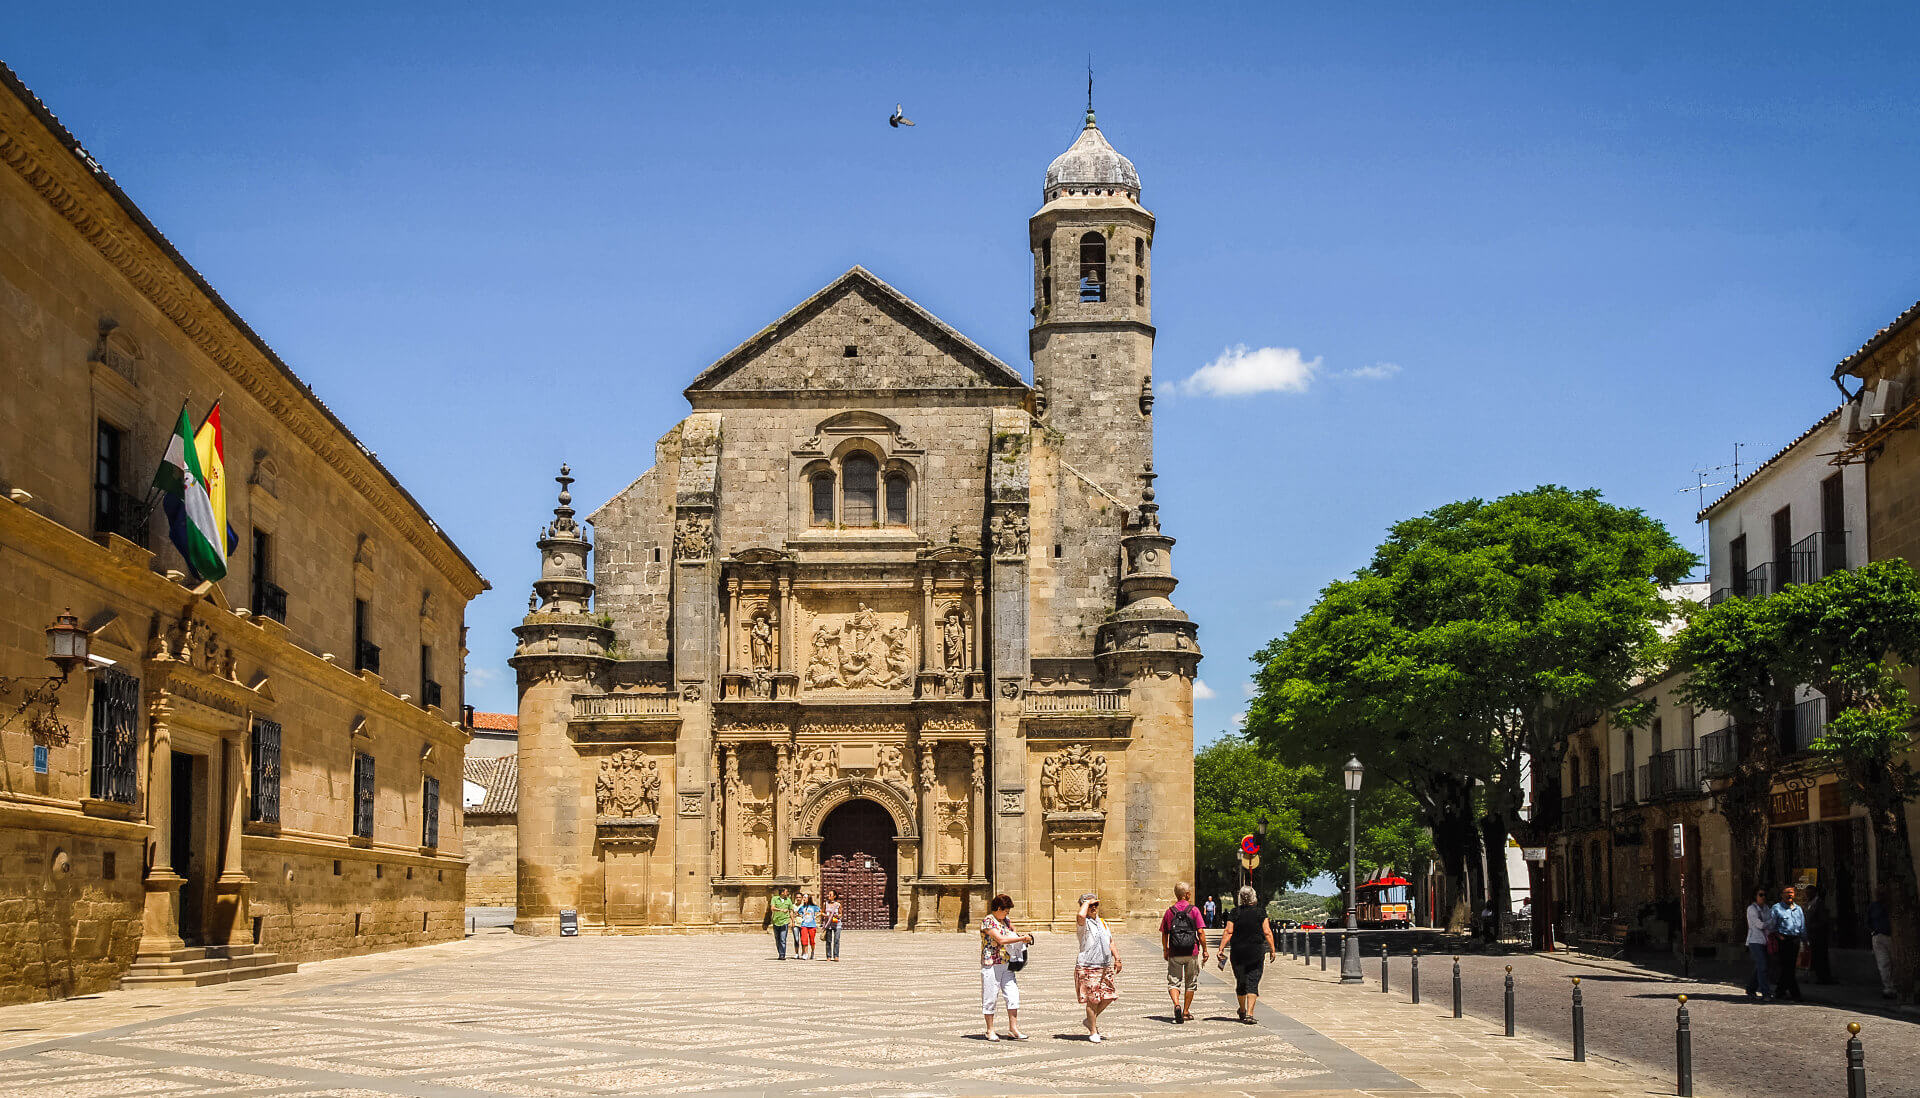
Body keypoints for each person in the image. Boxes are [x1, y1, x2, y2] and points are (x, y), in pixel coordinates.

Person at [1216, 885, 1276, 1024]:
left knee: (1241, 981)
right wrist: (1272, 949)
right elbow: (1267, 932)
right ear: (1254, 897)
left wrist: (1221, 948)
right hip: (1255, 952)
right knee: (1253, 981)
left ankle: (1242, 1009)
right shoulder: (1261, 913)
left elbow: (1228, 931)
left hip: (1238, 953)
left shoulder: (1234, 912)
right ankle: (1249, 1013)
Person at [980, 893, 1033, 1041]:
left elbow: (1012, 933)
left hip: (1007, 963)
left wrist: (1020, 938)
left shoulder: (1006, 921)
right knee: (990, 996)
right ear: (998, 908)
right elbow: (1001, 939)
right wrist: (1021, 938)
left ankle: (1013, 1028)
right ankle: (990, 1030)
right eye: (1005, 910)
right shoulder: (987, 921)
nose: (1007, 913)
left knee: (1013, 995)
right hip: (991, 964)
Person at [1074, 893, 1121, 1042]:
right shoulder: (1084, 924)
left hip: (1105, 966)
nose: (1094, 908)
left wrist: (1117, 958)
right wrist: (1086, 904)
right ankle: (1093, 1030)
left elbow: (1110, 941)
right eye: (1090, 905)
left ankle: (1089, 1020)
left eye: (1096, 905)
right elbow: (1080, 916)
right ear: (1084, 907)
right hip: (1088, 967)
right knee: (1092, 999)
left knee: (1109, 996)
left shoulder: (1103, 922)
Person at [1160, 881, 1205, 1023]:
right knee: (1191, 983)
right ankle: (1185, 1012)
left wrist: (1165, 950)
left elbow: (1164, 933)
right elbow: (1201, 932)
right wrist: (1205, 950)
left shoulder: (1169, 911)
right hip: (1192, 951)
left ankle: (1176, 1005)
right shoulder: (1194, 910)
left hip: (1175, 951)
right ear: (1187, 894)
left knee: (1174, 982)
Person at [1770, 885, 1806, 1002]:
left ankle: (1779, 991)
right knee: (1787, 967)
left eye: (1791, 892)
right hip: (1783, 940)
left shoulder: (1798, 909)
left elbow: (1802, 926)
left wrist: (1805, 940)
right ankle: (1796, 994)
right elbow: (1771, 926)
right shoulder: (1776, 908)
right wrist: (1779, 937)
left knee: (1789, 968)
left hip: (1795, 940)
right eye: (1787, 893)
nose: (1789, 895)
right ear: (1782, 895)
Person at [1744, 886, 1774, 999]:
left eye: (1764, 895)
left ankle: (1750, 988)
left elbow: (1771, 924)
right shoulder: (1752, 909)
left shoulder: (1766, 908)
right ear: (1755, 896)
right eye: (1760, 895)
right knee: (1763, 966)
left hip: (1765, 941)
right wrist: (1769, 922)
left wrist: (1768, 923)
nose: (1763, 897)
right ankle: (1765, 992)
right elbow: (1760, 925)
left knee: (1760, 966)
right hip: (1754, 941)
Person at [1867, 886, 1895, 1000]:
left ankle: (1897, 986)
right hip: (1879, 936)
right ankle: (1889, 987)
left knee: (1894, 962)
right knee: (1883, 963)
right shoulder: (1873, 906)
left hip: (1892, 937)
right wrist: (1874, 931)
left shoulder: (1891, 906)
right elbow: (1868, 921)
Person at [1804, 886, 1832, 984]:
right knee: (1815, 957)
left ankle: (1823, 977)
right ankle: (1818, 976)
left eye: (1809, 893)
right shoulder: (1809, 904)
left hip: (1819, 936)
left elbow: (1823, 920)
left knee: (1820, 957)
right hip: (1811, 935)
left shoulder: (1819, 904)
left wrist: (1811, 927)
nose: (1807, 895)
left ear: (1814, 893)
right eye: (1806, 893)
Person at [770, 886, 793, 960]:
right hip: (776, 921)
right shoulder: (774, 899)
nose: (788, 893)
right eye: (786, 892)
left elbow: (791, 910)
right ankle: (780, 952)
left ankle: (782, 955)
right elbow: (772, 908)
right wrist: (781, 910)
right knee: (777, 939)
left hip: (785, 921)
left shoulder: (789, 900)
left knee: (783, 939)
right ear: (782, 892)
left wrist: (792, 920)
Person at [796, 893, 820, 960]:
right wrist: (801, 916)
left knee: (812, 940)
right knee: (804, 939)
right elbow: (798, 913)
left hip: (812, 925)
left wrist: (815, 916)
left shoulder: (813, 907)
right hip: (804, 925)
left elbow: (820, 911)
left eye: (805, 898)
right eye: (803, 897)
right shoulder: (802, 907)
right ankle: (805, 953)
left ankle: (812, 951)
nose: (803, 899)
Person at [822, 888, 843, 962]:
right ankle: (828, 956)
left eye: (830, 895)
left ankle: (836, 956)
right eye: (829, 894)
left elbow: (841, 914)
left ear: (834, 896)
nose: (828, 896)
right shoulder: (825, 903)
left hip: (837, 923)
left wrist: (838, 916)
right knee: (828, 940)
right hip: (829, 924)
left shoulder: (838, 905)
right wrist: (825, 915)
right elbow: (822, 912)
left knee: (836, 940)